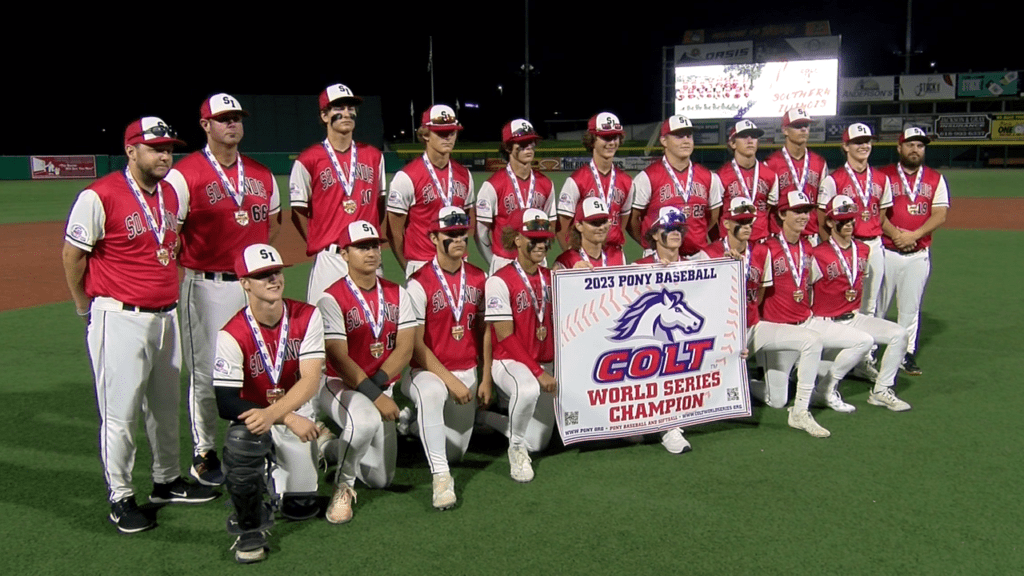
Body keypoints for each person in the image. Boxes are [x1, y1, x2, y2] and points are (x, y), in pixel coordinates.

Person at [63, 117, 217, 534]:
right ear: (131, 151)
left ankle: (166, 481)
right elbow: (73, 256)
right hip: (119, 316)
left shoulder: (170, 193)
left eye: (168, 148)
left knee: (165, 410)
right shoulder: (99, 195)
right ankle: (121, 496)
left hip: (166, 316)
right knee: (121, 414)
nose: (165, 155)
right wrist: (85, 308)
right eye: (155, 148)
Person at [164, 93, 281, 486]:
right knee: (206, 372)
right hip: (207, 285)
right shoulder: (184, 174)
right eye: (223, 118)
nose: (232, 124)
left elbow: (271, 227)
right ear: (205, 125)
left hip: (254, 285)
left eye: (236, 118)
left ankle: (259, 437)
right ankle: (204, 450)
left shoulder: (262, 174)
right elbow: (170, 233)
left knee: (260, 365)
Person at [212, 244, 324, 563]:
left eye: (276, 272)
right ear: (245, 282)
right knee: (240, 439)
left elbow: (310, 380)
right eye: (262, 276)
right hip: (260, 423)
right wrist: (285, 418)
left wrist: (283, 415)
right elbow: (226, 402)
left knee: (299, 506)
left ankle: (318, 449)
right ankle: (249, 529)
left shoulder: (307, 315)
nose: (273, 279)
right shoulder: (231, 335)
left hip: (295, 412)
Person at [317, 221, 415, 523]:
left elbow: (404, 349)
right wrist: (375, 396)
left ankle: (328, 446)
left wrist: (378, 391)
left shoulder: (398, 293)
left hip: (378, 385)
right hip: (339, 384)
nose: (371, 252)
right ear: (345, 254)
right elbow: (340, 357)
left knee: (380, 479)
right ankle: (343, 487)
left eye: (374, 245)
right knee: (365, 420)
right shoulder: (331, 298)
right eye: (361, 246)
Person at [702, 198, 827, 421]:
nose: (747, 226)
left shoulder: (760, 252)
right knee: (714, 389)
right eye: (740, 222)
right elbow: (703, 299)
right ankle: (737, 382)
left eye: (750, 221)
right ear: (727, 224)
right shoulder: (709, 253)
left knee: (811, 343)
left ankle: (800, 411)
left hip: (752, 326)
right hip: (723, 333)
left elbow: (759, 294)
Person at [760, 191, 873, 436]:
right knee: (776, 399)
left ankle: (808, 404)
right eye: (797, 211)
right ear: (781, 214)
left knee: (863, 340)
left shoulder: (809, 248)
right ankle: (747, 387)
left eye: (806, 211)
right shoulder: (766, 249)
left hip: (808, 321)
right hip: (779, 328)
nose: (803, 216)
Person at [403, 207, 490, 509]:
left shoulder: (480, 277)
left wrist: (484, 376)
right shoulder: (418, 282)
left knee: (456, 451)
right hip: (427, 370)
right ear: (433, 237)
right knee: (431, 393)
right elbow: (415, 346)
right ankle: (441, 478)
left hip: (467, 369)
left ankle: (412, 424)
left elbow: (483, 331)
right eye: (449, 234)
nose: (457, 238)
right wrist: (450, 379)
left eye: (461, 233)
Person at [809, 196, 911, 412]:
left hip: (852, 317)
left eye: (851, 219)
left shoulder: (863, 250)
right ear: (829, 222)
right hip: (826, 321)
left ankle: (881, 391)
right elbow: (805, 289)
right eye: (842, 220)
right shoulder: (817, 254)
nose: (848, 224)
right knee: (863, 342)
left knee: (900, 334)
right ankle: (825, 389)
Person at [289, 83, 387, 302]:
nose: (346, 113)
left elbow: (380, 204)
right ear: (324, 115)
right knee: (322, 327)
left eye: (350, 107)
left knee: (374, 326)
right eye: (338, 108)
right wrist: (319, 241)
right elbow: (298, 211)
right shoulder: (308, 160)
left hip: (367, 255)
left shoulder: (373, 156)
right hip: (330, 258)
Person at [483, 208, 557, 482]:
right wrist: (539, 374)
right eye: (533, 238)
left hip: (544, 361)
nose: (540, 244)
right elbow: (505, 337)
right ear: (516, 239)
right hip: (509, 360)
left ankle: (487, 419)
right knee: (526, 389)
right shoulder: (499, 281)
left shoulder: (552, 277)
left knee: (538, 442)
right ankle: (515, 450)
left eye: (544, 239)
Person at [878, 127, 950, 376]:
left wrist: (913, 236)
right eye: (910, 145)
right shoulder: (884, 175)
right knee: (877, 307)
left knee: (910, 309)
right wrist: (896, 235)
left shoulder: (935, 178)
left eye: (920, 145)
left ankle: (905, 353)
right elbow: (876, 211)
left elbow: (940, 214)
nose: (915, 149)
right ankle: (868, 354)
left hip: (918, 254)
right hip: (886, 251)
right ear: (900, 148)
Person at [388, 104, 476, 277]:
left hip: (458, 264)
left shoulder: (464, 175)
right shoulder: (406, 176)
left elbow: (464, 221)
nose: (448, 138)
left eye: (452, 132)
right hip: (422, 264)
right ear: (425, 134)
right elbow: (394, 232)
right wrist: (409, 268)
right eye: (441, 133)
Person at [817, 123, 893, 318]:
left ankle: (868, 348)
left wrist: (870, 228)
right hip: (847, 246)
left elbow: (881, 214)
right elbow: (822, 219)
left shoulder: (882, 179)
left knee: (870, 303)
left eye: (867, 141)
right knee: (844, 300)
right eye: (857, 142)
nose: (864, 146)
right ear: (845, 146)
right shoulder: (833, 180)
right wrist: (833, 249)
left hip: (874, 246)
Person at [629, 115, 723, 257]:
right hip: (660, 258)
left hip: (697, 256)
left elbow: (713, 216)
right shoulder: (647, 177)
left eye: (689, 136)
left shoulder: (709, 177)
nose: (686, 141)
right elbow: (633, 220)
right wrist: (649, 244)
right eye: (679, 136)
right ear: (664, 141)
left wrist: (696, 236)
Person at [476, 119, 556, 274]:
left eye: (531, 143)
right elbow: (480, 233)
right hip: (504, 261)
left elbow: (550, 225)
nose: (529, 149)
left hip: (537, 263)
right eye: (522, 144)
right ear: (507, 147)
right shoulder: (492, 185)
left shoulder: (546, 184)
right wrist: (494, 260)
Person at [555, 112, 632, 251]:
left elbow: (622, 225)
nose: (611, 143)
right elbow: (561, 230)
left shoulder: (627, 182)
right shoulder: (576, 181)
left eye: (615, 137)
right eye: (606, 137)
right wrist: (573, 258)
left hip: (615, 256)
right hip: (585, 256)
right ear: (592, 140)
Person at [765, 108, 828, 244]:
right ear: (785, 130)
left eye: (806, 126)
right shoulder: (771, 163)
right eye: (798, 126)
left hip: (811, 235)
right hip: (779, 236)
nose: (803, 129)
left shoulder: (819, 163)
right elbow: (766, 207)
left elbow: (823, 206)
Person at [716, 120, 777, 244]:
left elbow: (770, 210)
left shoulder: (770, 175)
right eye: (744, 136)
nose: (750, 140)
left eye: (754, 137)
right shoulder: (720, 176)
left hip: (761, 241)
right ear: (733, 144)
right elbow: (716, 214)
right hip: (731, 243)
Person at [552, 197, 626, 269]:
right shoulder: (566, 261)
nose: (601, 227)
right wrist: (572, 275)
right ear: (579, 226)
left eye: (604, 222)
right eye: (594, 223)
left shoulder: (618, 255)